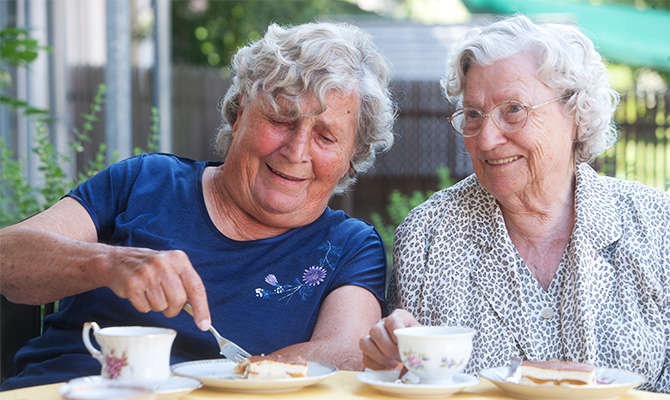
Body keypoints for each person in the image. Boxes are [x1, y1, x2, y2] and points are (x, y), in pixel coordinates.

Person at [0, 21, 396, 389]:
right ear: (241, 112)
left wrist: (232, 381)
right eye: (281, 119)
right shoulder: (145, 182)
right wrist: (108, 263)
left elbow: (345, 355)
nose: (296, 151)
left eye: (325, 136)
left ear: (352, 155)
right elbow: (7, 259)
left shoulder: (349, 247)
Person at [359, 14, 669, 393]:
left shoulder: (656, 225)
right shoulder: (428, 234)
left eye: (514, 110)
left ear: (578, 114)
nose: (486, 139)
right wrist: (389, 361)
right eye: (473, 114)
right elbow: (409, 380)